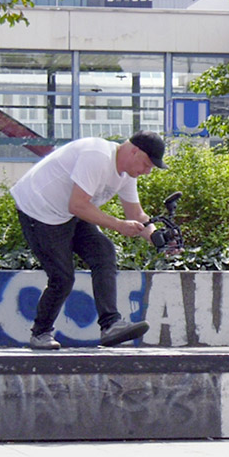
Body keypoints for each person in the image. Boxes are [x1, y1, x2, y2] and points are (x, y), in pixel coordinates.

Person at [11, 130, 168, 350]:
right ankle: (40, 333)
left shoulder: (125, 174)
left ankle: (110, 325)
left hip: (69, 212)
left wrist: (156, 236)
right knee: (63, 277)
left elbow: (136, 215)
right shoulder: (97, 156)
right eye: (147, 165)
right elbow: (77, 205)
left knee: (103, 252)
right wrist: (119, 225)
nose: (147, 172)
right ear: (134, 151)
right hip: (38, 210)